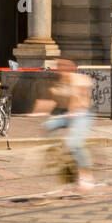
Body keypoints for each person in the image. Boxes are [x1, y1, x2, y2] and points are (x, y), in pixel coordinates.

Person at [32, 58, 95, 194]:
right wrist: (38, 111)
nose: (61, 70)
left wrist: (73, 111)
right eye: (59, 68)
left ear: (70, 69)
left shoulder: (80, 80)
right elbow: (51, 100)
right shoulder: (59, 82)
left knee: (74, 143)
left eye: (63, 68)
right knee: (47, 126)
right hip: (67, 114)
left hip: (83, 114)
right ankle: (55, 155)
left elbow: (79, 98)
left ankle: (86, 177)